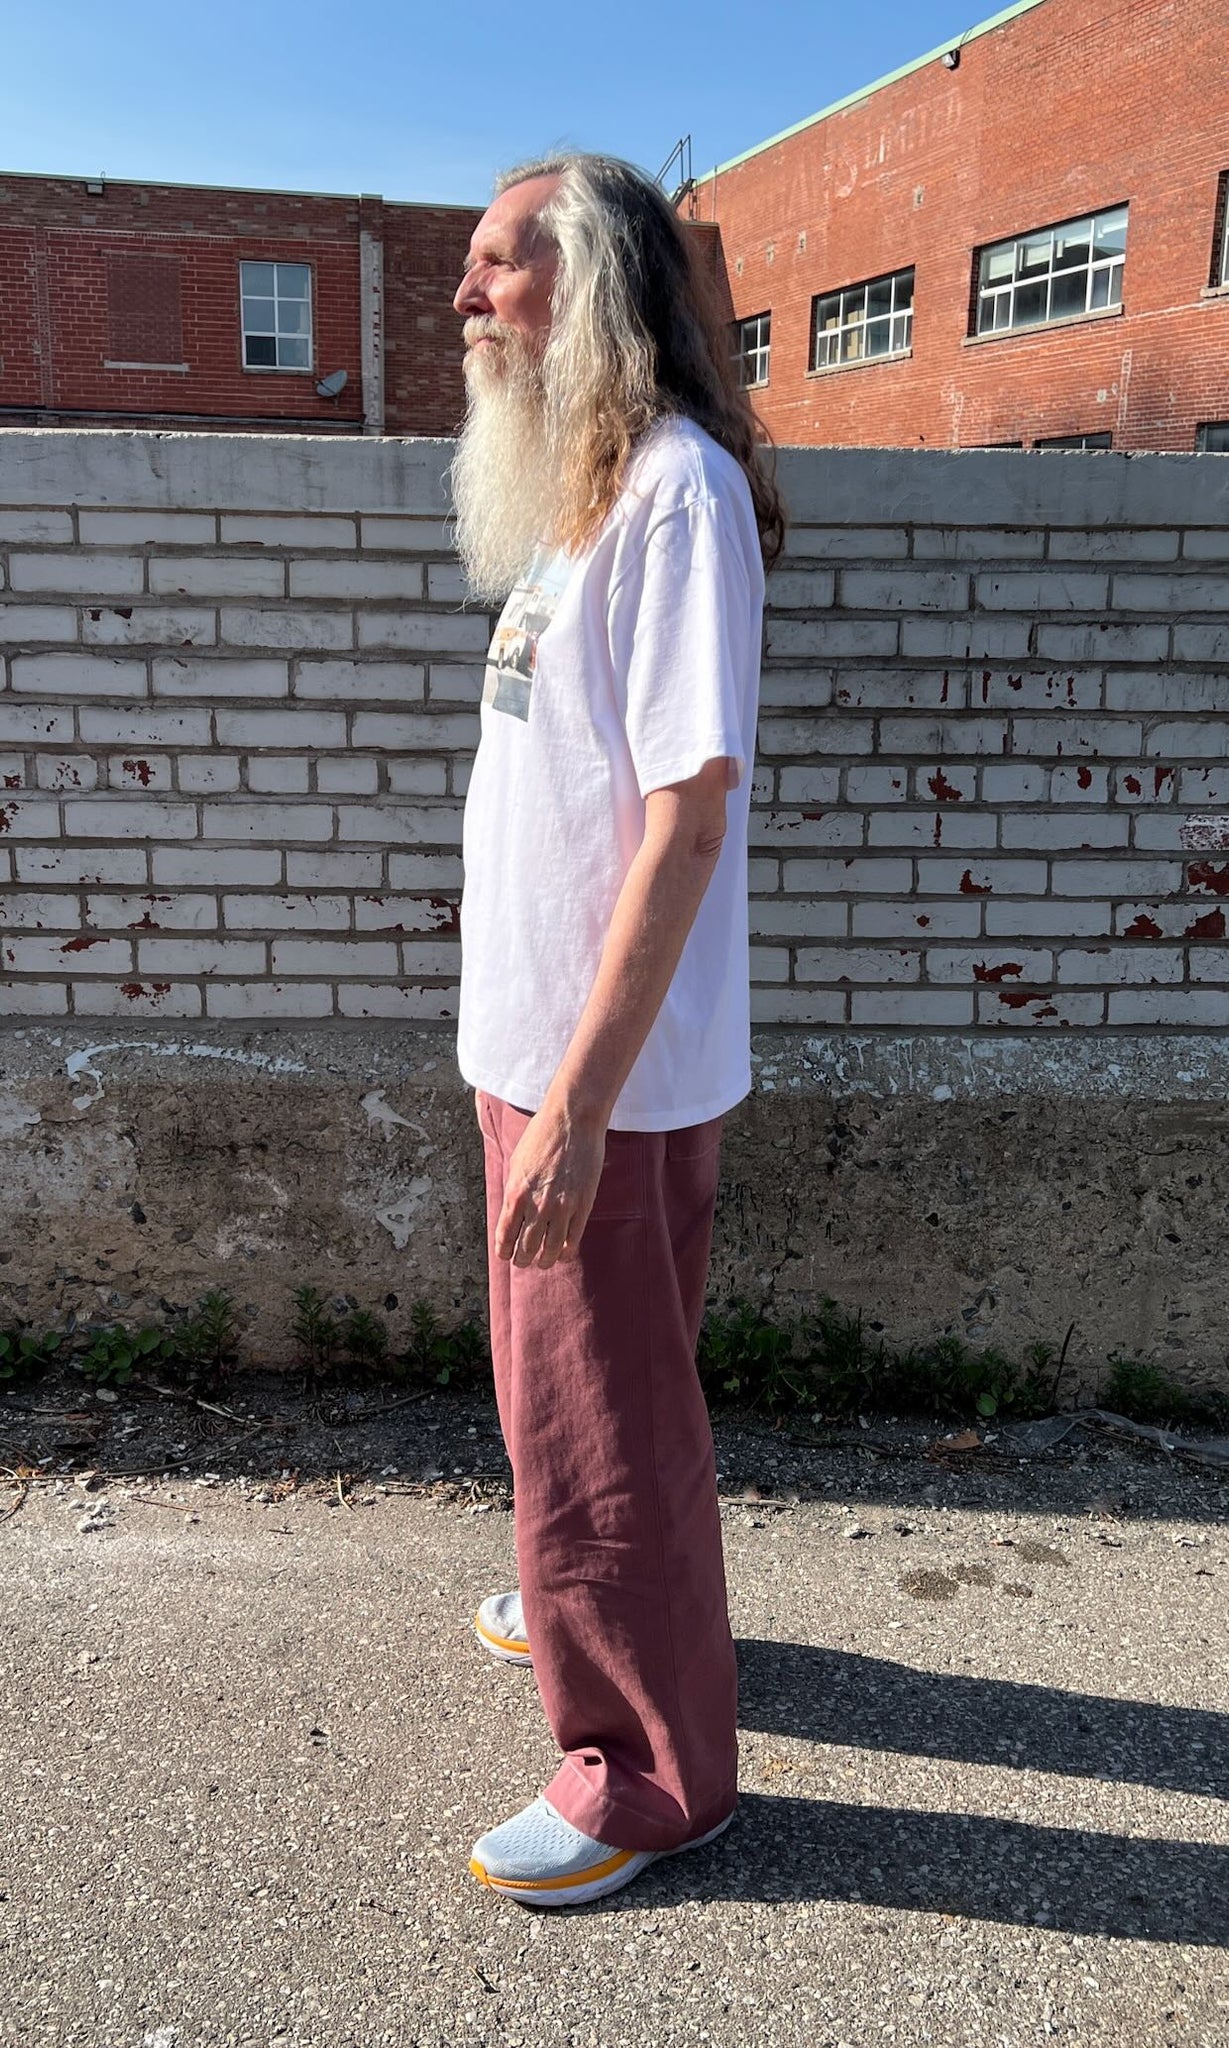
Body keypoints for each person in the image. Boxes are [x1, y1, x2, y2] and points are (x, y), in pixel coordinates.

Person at [449, 151, 785, 1909]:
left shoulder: (671, 494)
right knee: (570, 1402)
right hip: (538, 1052)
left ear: (586, 284)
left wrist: (580, 1106)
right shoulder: (581, 489)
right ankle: (582, 1594)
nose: (464, 297)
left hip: (607, 1081)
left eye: (498, 263)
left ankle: (652, 1775)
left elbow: (685, 820)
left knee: (605, 1429)